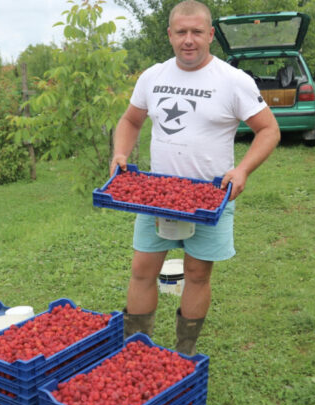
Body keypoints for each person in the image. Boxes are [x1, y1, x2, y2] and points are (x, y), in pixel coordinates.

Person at [109, 0, 280, 355]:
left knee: (198, 273)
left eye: (197, 32)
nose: (189, 40)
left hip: (210, 196)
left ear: (211, 36)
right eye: (181, 32)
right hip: (157, 194)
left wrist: (242, 169)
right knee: (142, 269)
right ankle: (135, 350)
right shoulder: (153, 77)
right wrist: (120, 153)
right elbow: (130, 121)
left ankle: (183, 353)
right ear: (170, 35)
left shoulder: (234, 81)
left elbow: (269, 130)